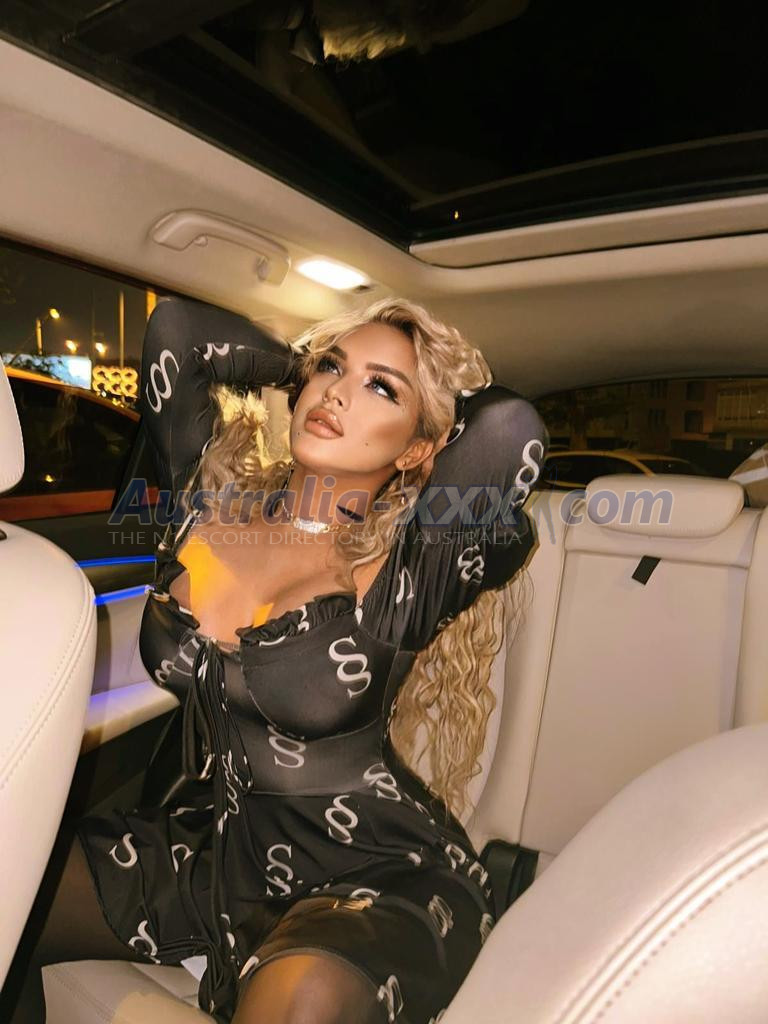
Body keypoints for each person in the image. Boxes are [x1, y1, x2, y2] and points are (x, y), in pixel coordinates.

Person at [5, 295, 547, 1024]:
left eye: (381, 388)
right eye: (332, 369)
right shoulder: (207, 510)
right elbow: (177, 335)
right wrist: (303, 368)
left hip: (373, 870)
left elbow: (509, 427)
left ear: (418, 449)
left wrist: (419, 405)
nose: (338, 392)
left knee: (302, 1000)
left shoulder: (408, 570)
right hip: (211, 850)